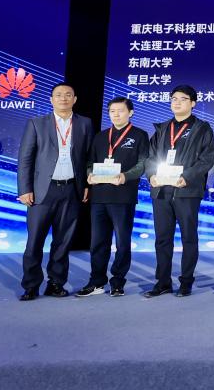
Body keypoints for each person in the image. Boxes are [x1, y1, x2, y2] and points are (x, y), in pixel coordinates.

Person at [16, 82, 94, 300]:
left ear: (75, 99)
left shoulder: (85, 124)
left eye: (68, 95)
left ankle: (56, 284)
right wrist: (25, 189)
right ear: (51, 100)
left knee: (63, 241)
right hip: (42, 191)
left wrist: (86, 185)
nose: (63, 98)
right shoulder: (36, 123)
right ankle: (31, 285)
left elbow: (89, 157)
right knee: (35, 241)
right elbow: (25, 159)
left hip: (71, 189)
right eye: (58, 95)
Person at [144, 85, 214, 298]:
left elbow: (207, 159)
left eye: (182, 99)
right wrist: (151, 175)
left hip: (187, 191)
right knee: (162, 238)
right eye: (174, 99)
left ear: (193, 103)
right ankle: (163, 282)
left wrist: (187, 177)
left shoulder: (202, 128)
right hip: (161, 190)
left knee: (188, 238)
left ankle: (186, 282)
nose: (176, 102)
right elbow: (149, 156)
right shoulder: (162, 128)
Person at [77, 97, 149, 297]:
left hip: (123, 196)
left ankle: (118, 282)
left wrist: (126, 176)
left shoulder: (139, 135)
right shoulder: (101, 136)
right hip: (99, 196)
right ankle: (96, 281)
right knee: (98, 242)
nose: (116, 114)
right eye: (112, 111)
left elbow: (143, 163)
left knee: (122, 242)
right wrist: (90, 174)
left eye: (120, 111)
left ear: (130, 113)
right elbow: (90, 162)